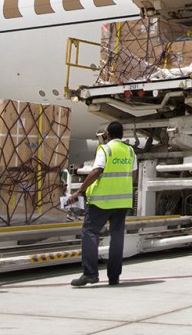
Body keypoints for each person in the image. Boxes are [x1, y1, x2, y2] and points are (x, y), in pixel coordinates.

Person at [68, 121, 136, 287]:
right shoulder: (130, 150)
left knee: (90, 232)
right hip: (122, 202)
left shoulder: (105, 149)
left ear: (107, 135)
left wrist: (80, 191)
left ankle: (90, 273)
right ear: (121, 134)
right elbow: (133, 174)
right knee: (117, 237)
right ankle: (114, 277)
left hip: (101, 202)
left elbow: (97, 170)